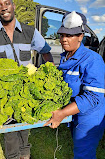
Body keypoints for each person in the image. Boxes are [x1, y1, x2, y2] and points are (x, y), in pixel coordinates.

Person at [0, 0, 54, 159]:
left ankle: (25, 154)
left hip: (26, 92)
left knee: (25, 126)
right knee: (10, 133)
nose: (4, 8)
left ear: (13, 5)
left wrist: (48, 71)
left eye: (7, 3)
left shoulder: (30, 32)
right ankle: (14, 156)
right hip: (5, 93)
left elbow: (45, 52)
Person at [44, 11, 105, 159]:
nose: (64, 39)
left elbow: (93, 97)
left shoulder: (92, 60)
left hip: (89, 117)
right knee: (80, 150)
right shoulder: (66, 56)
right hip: (75, 113)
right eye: (62, 34)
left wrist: (62, 113)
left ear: (80, 37)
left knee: (84, 153)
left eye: (70, 35)